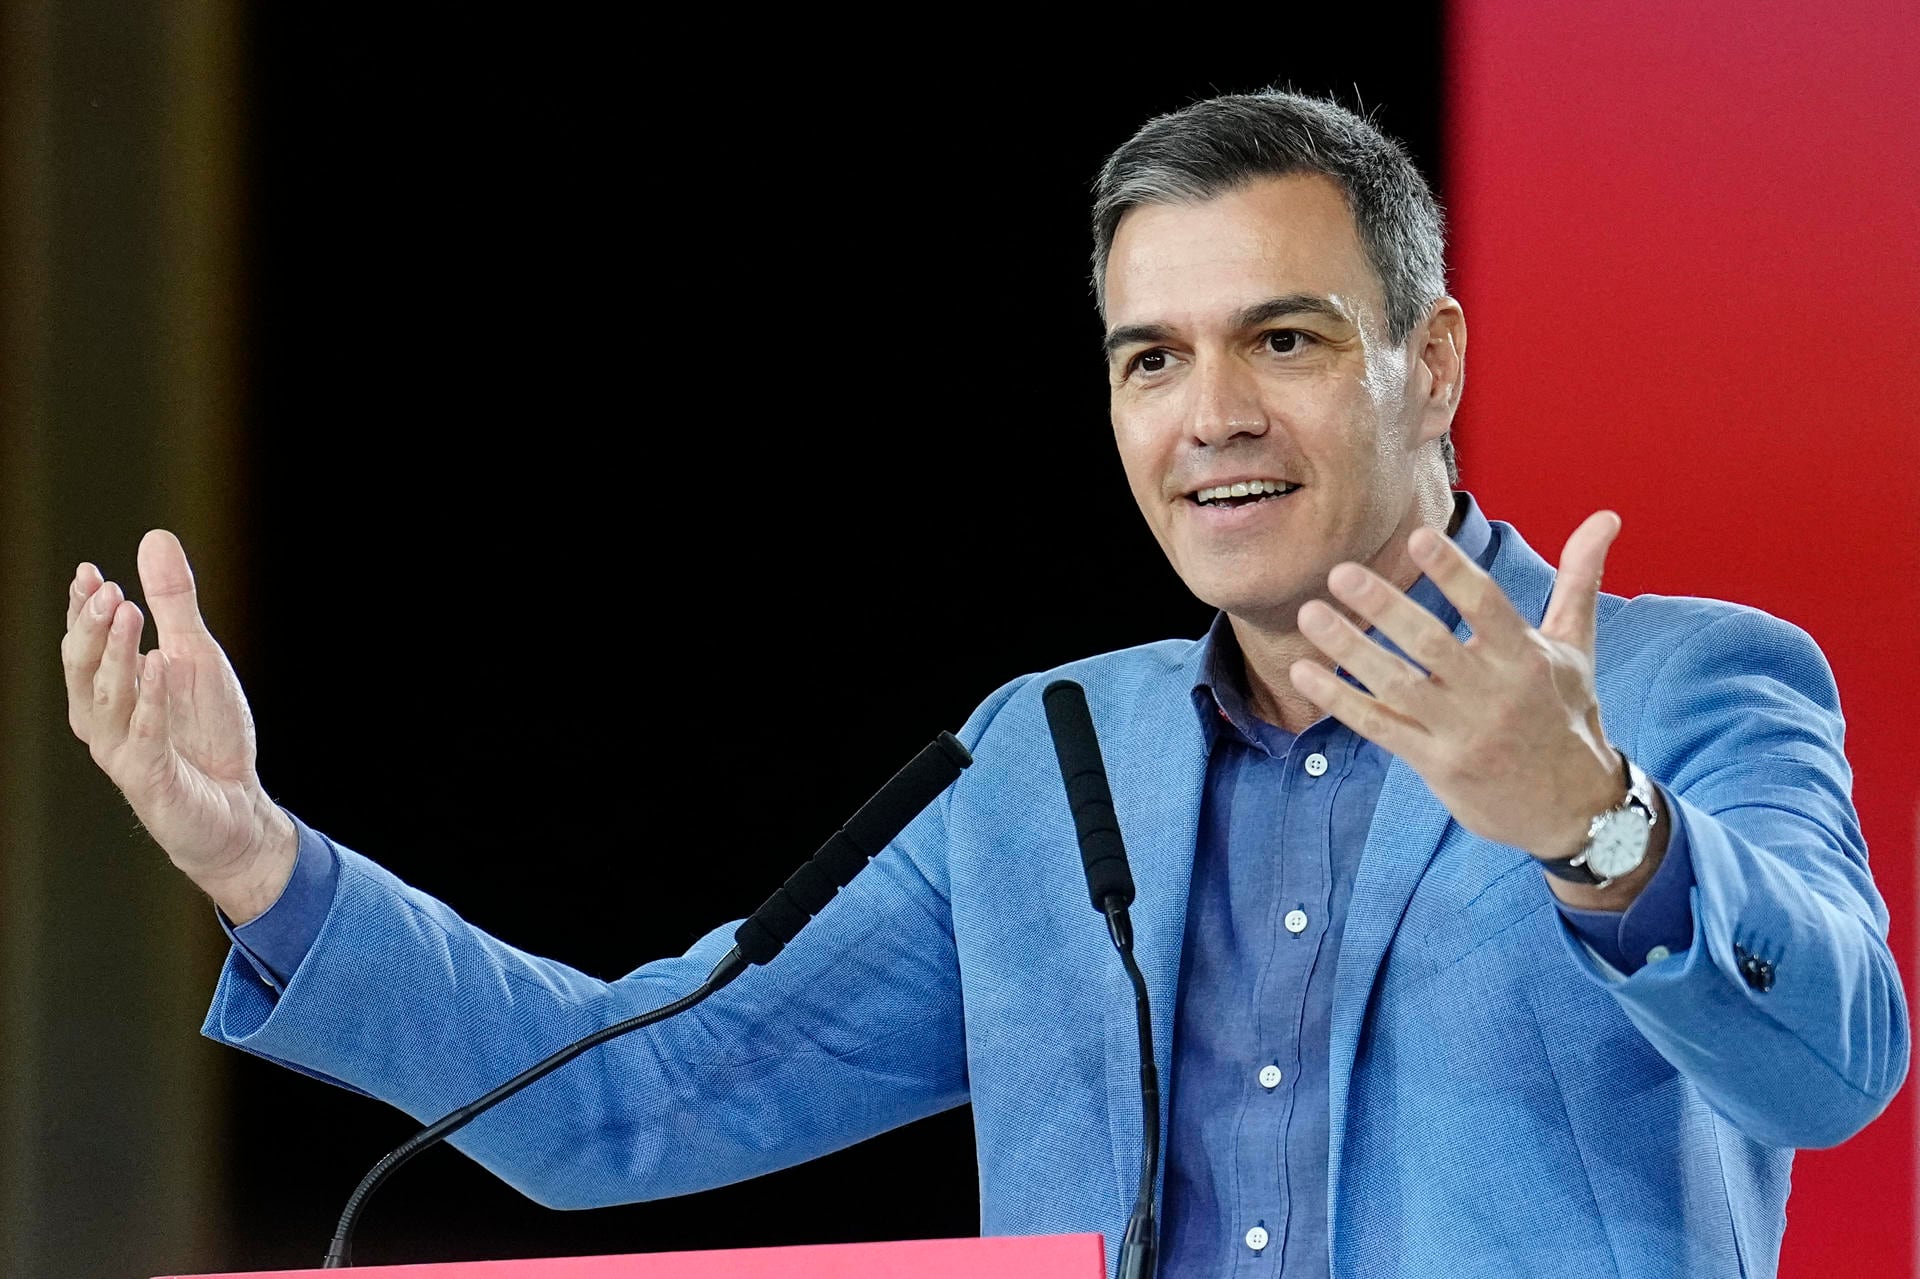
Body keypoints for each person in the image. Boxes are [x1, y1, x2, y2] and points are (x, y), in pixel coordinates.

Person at [62, 91, 1906, 1278]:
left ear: (1429, 362)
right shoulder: (1049, 758)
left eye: (1282, 338)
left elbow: (1839, 1073)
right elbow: (640, 1098)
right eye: (1150, 359)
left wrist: (1598, 829)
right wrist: (257, 862)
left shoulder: (1683, 684)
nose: (1211, 418)